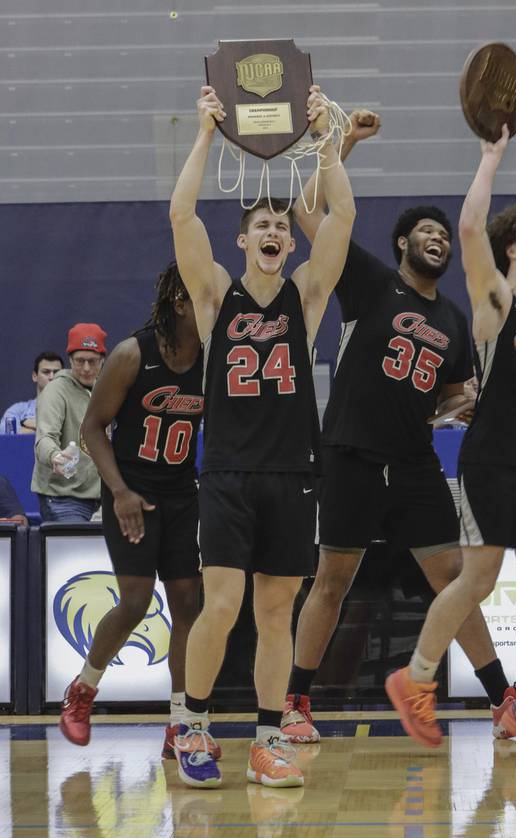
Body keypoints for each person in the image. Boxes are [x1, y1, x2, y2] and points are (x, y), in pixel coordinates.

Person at [281, 109, 516, 745]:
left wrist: (457, 408)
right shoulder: (369, 281)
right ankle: (296, 703)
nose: (437, 236)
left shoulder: (454, 320)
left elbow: (448, 398)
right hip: (352, 453)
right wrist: (343, 145)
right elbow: (307, 213)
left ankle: (504, 702)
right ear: (402, 246)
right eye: (425, 231)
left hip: (414, 462)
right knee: (332, 580)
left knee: (453, 579)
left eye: (444, 233)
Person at [169, 84, 355, 789]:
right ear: (243, 241)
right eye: (263, 224)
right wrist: (206, 134)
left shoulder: (307, 299)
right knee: (221, 605)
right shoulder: (218, 296)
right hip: (228, 474)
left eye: (282, 222)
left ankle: (269, 739)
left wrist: (325, 140)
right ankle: (192, 726)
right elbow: (182, 213)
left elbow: (341, 213)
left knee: (276, 612)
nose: (276, 230)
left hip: (292, 474)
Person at [385, 125, 516, 760]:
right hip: (489, 461)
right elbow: (468, 230)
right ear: (512, 251)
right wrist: (492, 158)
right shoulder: (493, 304)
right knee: (477, 582)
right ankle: (414, 677)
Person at [59, 264, 204, 760]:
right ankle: (83, 689)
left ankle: (181, 725)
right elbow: (93, 429)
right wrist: (118, 490)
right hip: (132, 490)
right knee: (137, 601)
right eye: (206, 293)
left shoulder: (213, 356)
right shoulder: (130, 354)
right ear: (181, 303)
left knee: (189, 603)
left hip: (183, 491)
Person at [31, 324, 106, 522]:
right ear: (70, 360)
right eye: (80, 361)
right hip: (61, 497)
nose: (87, 368)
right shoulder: (55, 391)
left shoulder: (106, 388)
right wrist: (54, 455)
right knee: (76, 551)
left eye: (93, 361)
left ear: (103, 360)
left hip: (101, 497)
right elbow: (44, 438)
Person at [1, 352, 63, 434]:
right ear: (35, 376)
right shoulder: (18, 410)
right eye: (46, 372)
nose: (51, 377)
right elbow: (4, 431)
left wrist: (26, 423)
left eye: (56, 372)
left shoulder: (72, 409)